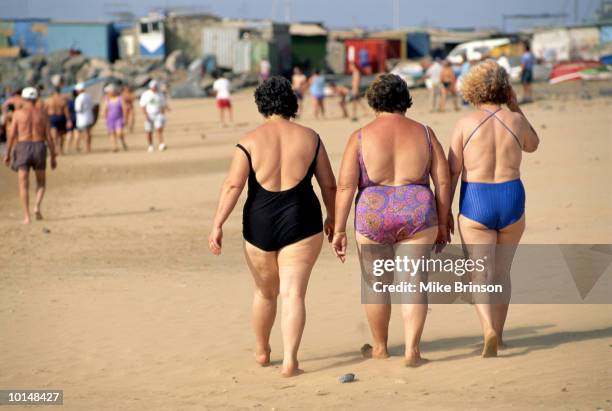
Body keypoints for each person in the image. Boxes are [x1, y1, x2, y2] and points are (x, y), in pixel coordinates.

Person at [208, 76, 336, 377]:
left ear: (261, 105)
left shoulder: (249, 141)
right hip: (302, 220)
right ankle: (291, 360)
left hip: (259, 224)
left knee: (265, 293)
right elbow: (329, 185)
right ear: (292, 103)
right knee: (293, 294)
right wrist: (334, 219)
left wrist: (217, 224)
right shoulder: (311, 137)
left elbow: (233, 185)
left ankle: (262, 351)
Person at [332, 74, 451, 366]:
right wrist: (445, 221)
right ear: (405, 99)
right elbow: (444, 181)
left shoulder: (360, 136)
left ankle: (380, 348)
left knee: (376, 285)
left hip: (373, 212)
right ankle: (412, 351)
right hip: (417, 211)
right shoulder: (425, 133)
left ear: (373, 101)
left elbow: (346, 187)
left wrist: (338, 229)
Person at [448, 60, 539, 357]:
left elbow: (452, 171)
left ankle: (487, 328)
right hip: (511, 195)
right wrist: (516, 108)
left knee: (479, 273)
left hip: (477, 197)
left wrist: (444, 212)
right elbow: (533, 145)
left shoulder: (465, 123)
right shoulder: (516, 121)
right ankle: (499, 337)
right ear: (505, 86)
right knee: (502, 273)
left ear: (472, 88)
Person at [3, 87, 57, 224]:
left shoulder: (18, 114)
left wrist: (7, 153)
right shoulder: (43, 114)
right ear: (36, 99)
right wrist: (53, 156)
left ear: (23, 98)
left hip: (23, 147)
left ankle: (27, 216)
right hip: (39, 146)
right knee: (41, 182)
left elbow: (12, 135)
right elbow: (49, 137)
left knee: (23, 184)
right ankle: (37, 206)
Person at [139, 80, 168, 152]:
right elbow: (143, 105)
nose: (154, 88)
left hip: (158, 114)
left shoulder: (160, 94)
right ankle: (150, 145)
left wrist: (162, 113)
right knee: (149, 131)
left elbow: (163, 104)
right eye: (153, 87)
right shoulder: (146, 94)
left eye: (155, 87)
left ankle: (161, 144)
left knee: (159, 129)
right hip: (149, 114)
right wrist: (145, 115)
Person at [46, 84, 72, 155]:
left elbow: (45, 111)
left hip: (52, 118)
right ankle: (60, 150)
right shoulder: (62, 100)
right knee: (61, 135)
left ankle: (54, 149)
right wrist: (69, 120)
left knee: (54, 135)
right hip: (61, 117)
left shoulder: (49, 100)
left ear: (53, 91)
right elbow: (66, 111)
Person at [101, 84, 128, 152]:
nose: (108, 93)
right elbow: (105, 109)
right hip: (110, 119)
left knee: (119, 133)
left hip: (119, 118)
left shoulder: (120, 98)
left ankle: (122, 141)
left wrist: (125, 118)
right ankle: (115, 147)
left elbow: (124, 108)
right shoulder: (107, 99)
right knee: (112, 133)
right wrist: (104, 116)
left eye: (109, 92)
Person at [74, 83, 94, 153]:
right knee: (89, 133)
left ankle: (84, 147)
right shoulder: (89, 96)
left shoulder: (79, 98)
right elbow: (92, 106)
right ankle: (88, 147)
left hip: (82, 118)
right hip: (89, 117)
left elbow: (78, 109)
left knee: (83, 133)